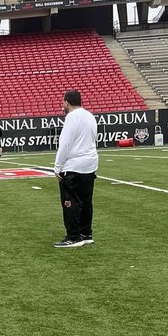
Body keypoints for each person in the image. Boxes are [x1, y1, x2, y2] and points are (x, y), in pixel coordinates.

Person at [53, 89, 98, 248]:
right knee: (86, 201)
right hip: (90, 164)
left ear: (67, 102)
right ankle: (86, 233)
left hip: (74, 166)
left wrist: (57, 166)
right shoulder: (90, 116)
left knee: (70, 201)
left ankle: (73, 236)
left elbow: (65, 143)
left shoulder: (72, 117)